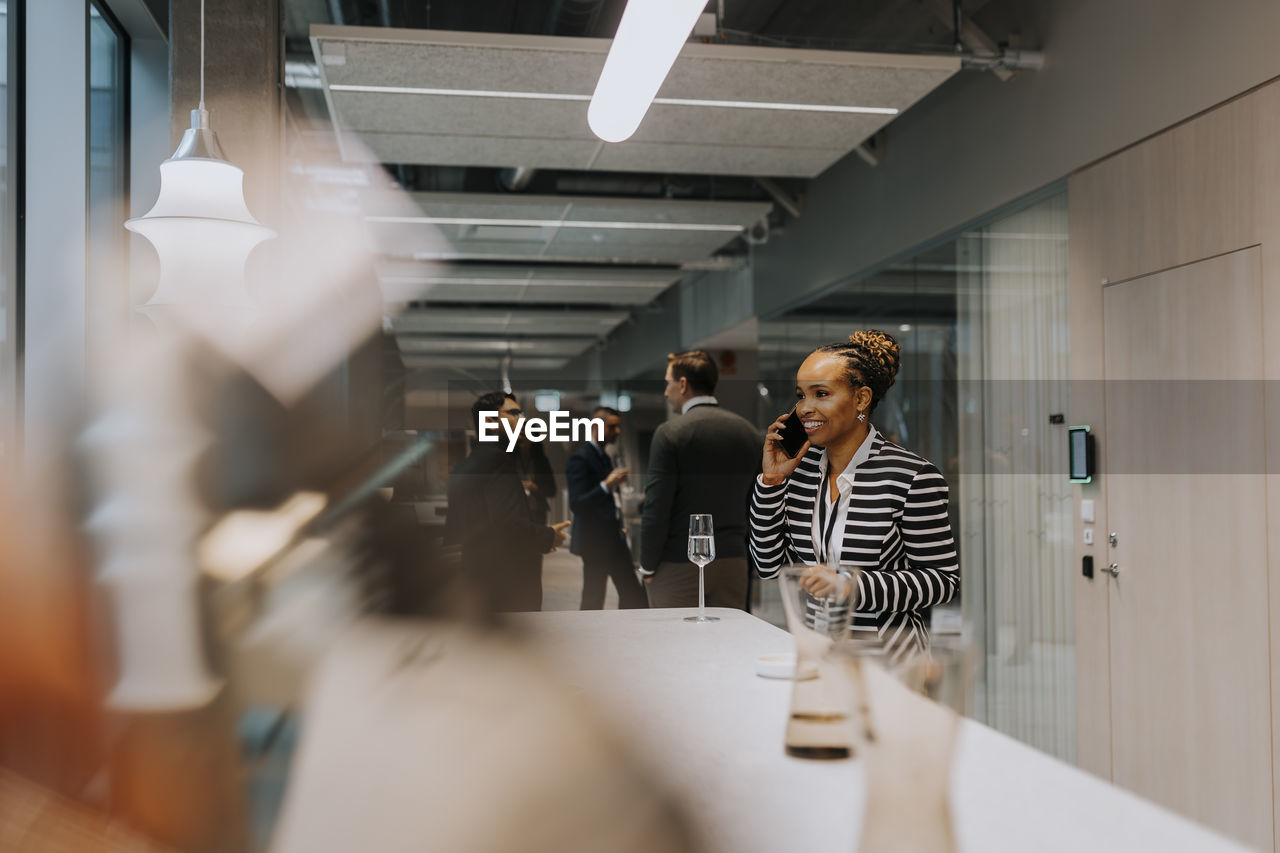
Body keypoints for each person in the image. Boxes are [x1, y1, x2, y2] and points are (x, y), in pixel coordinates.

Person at [749, 330, 958, 662]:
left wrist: (850, 586)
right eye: (801, 395)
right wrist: (771, 482)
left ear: (861, 399)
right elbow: (767, 565)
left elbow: (942, 581)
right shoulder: (800, 474)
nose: (805, 408)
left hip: (887, 664)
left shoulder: (911, 475)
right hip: (817, 653)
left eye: (821, 393)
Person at [639, 351, 760, 610]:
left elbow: (656, 507)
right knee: (730, 644)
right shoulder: (748, 432)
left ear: (683, 384)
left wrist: (647, 564)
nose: (665, 391)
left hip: (678, 564)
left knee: (676, 644)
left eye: (667, 382)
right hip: (734, 562)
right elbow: (756, 503)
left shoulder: (670, 433)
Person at [446, 392, 571, 612]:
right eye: (513, 413)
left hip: (478, 580)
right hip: (505, 584)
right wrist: (549, 535)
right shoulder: (497, 462)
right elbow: (508, 526)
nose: (521, 420)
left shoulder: (468, 465)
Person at [566, 407, 648, 610]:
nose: (618, 431)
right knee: (594, 597)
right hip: (594, 541)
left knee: (632, 593)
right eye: (612, 427)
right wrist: (607, 485)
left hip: (613, 537)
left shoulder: (604, 456)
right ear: (596, 427)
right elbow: (577, 503)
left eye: (618, 426)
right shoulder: (581, 458)